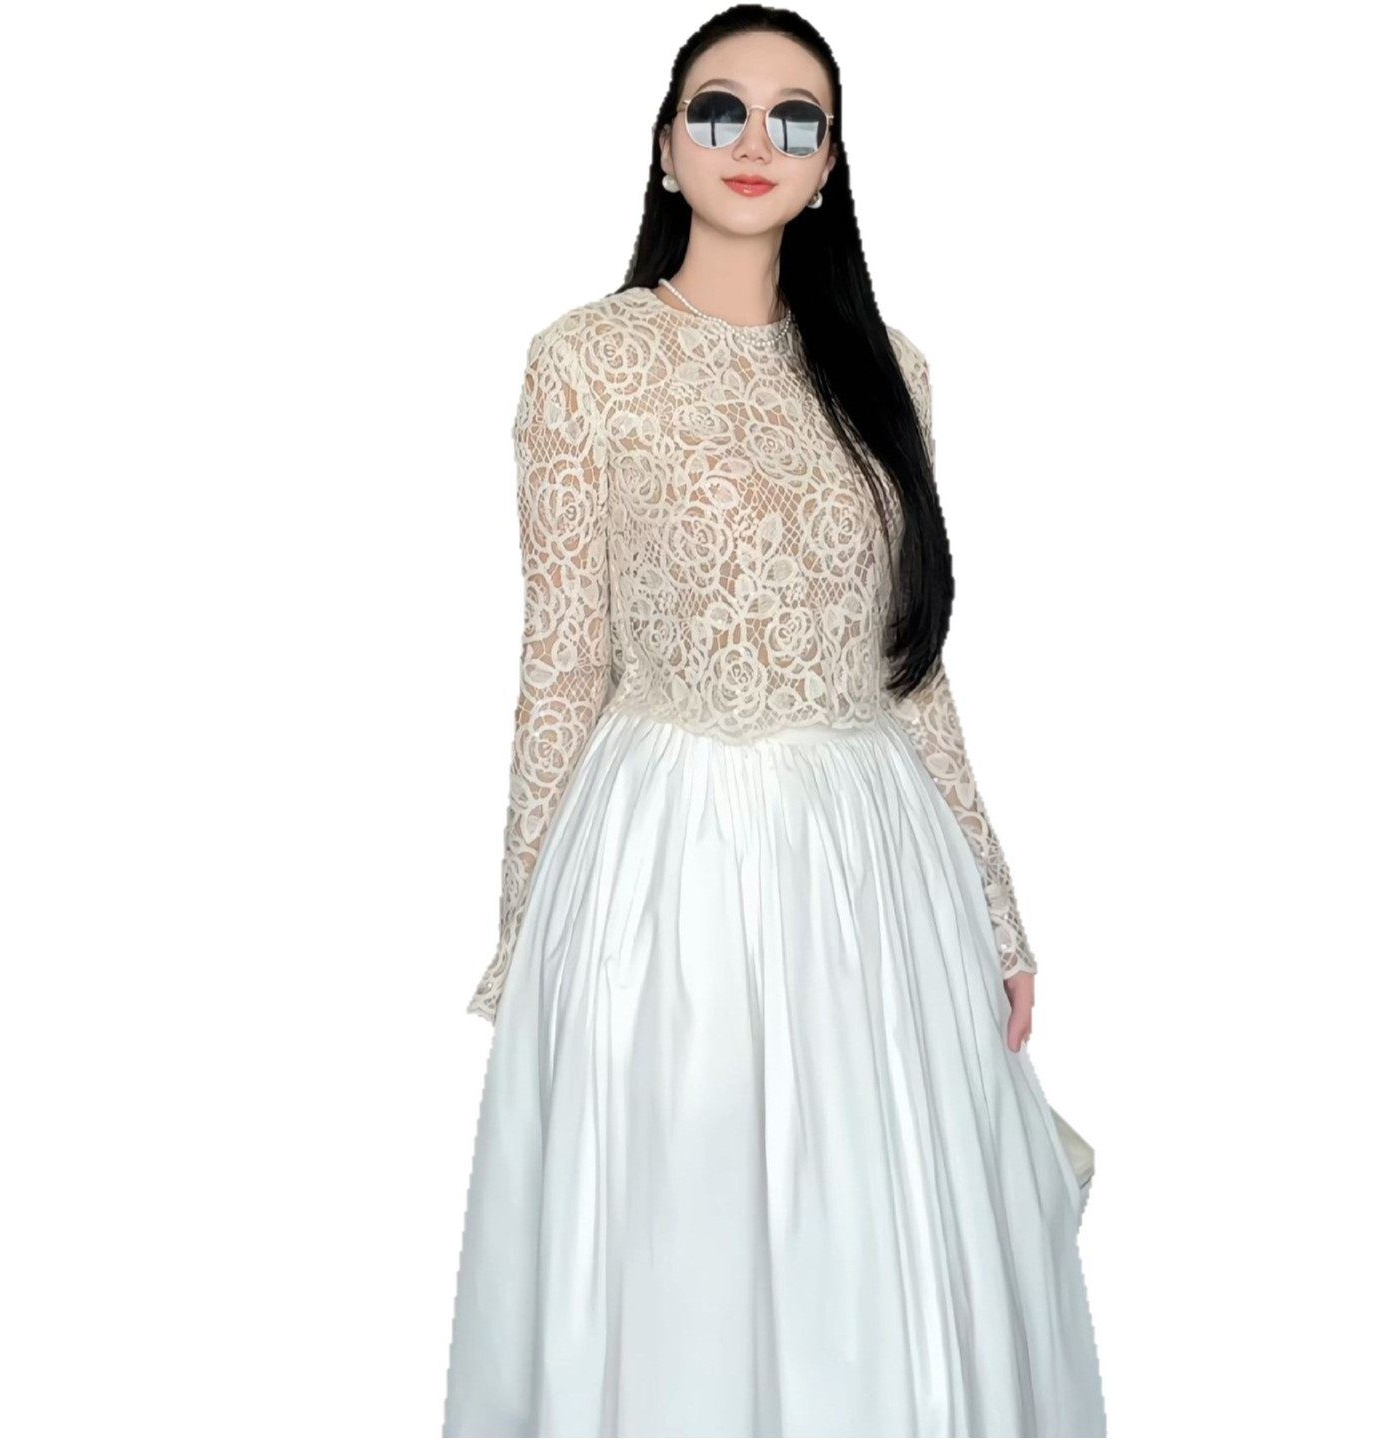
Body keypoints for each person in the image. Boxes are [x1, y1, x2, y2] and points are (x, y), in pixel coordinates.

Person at [443, 7, 1106, 1435]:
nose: (756, 140)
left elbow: (912, 663)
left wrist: (998, 915)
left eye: (796, 118)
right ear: (665, 147)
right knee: (680, 1221)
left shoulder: (890, 371)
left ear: (829, 166)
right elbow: (560, 664)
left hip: (875, 868)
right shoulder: (585, 363)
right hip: (665, 859)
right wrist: (525, 940)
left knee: (880, 1228)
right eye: (720, 108)